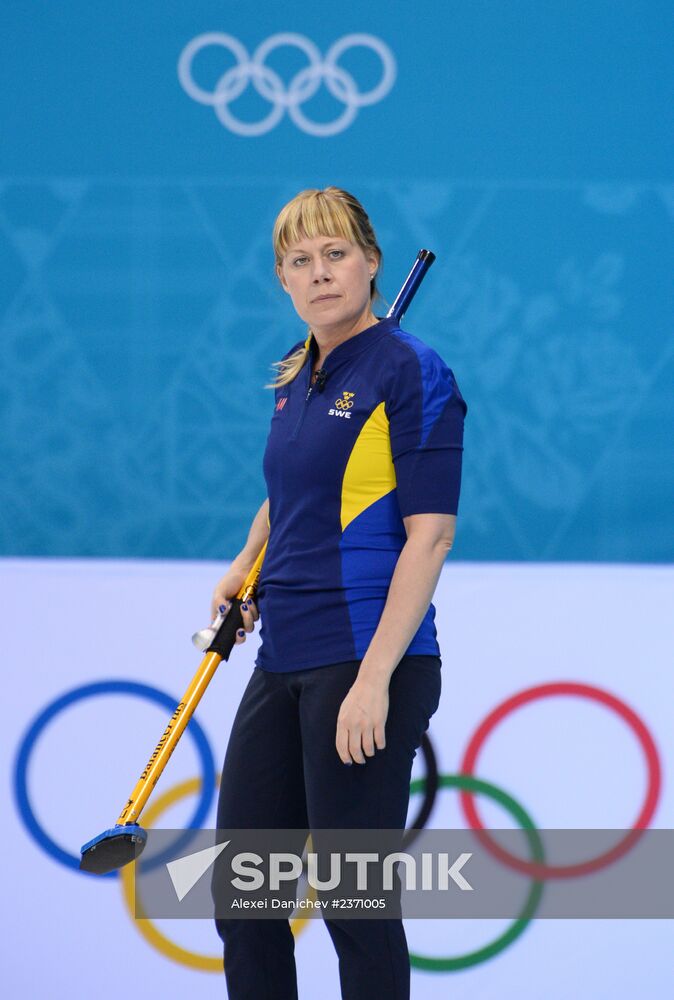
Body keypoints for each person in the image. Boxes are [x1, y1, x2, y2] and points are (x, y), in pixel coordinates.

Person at [209, 186, 467, 1000]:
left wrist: (374, 680)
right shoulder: (296, 372)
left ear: (371, 262)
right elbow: (296, 488)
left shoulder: (411, 369)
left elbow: (430, 535)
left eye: (335, 255)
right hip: (284, 653)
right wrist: (248, 563)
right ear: (283, 280)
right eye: (299, 261)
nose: (319, 273)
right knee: (247, 899)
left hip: (365, 660)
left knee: (354, 904)